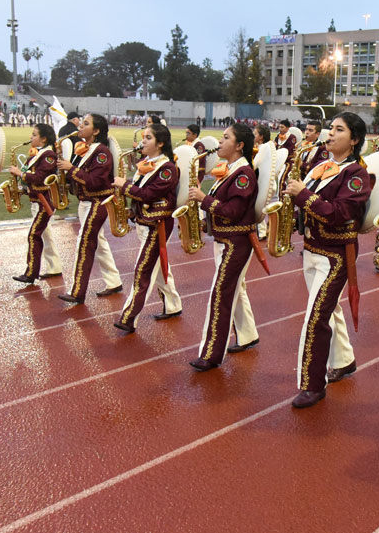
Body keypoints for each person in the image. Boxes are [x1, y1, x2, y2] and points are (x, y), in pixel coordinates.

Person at [283, 112, 372, 408]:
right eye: (330, 129)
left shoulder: (357, 174)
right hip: (311, 248)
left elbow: (339, 213)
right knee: (328, 310)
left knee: (315, 317)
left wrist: (303, 196)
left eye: (338, 130)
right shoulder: (322, 166)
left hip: (335, 255)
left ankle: (313, 384)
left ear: (355, 140)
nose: (329, 134)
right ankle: (344, 361)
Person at [189, 123, 261, 370]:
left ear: (239, 145)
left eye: (226, 138)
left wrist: (203, 199)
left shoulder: (243, 175)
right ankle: (248, 335)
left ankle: (211, 353)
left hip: (235, 243)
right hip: (225, 240)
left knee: (220, 294)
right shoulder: (232, 170)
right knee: (236, 290)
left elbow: (233, 211)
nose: (219, 142)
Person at [112, 124, 183, 333]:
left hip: (157, 224)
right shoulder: (146, 163)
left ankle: (128, 317)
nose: (143, 141)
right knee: (158, 268)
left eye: (148, 138)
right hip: (144, 222)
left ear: (160, 143)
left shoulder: (168, 168)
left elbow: (148, 195)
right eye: (144, 137)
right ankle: (173, 305)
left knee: (142, 270)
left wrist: (123, 186)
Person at [56, 113, 123, 304]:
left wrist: (71, 169)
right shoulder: (84, 150)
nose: (80, 126)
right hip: (84, 202)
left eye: (85, 124)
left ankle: (77, 291)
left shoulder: (101, 153)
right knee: (99, 244)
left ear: (96, 131)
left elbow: (95, 182)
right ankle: (114, 281)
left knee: (84, 244)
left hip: (97, 203)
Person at [10, 123, 62, 284]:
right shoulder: (38, 154)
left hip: (44, 202)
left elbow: (39, 178)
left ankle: (31, 272)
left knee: (34, 235)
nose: (31, 137)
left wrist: (21, 173)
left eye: (34, 135)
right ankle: (54, 267)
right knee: (46, 235)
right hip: (36, 201)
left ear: (43, 139)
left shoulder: (48, 155)